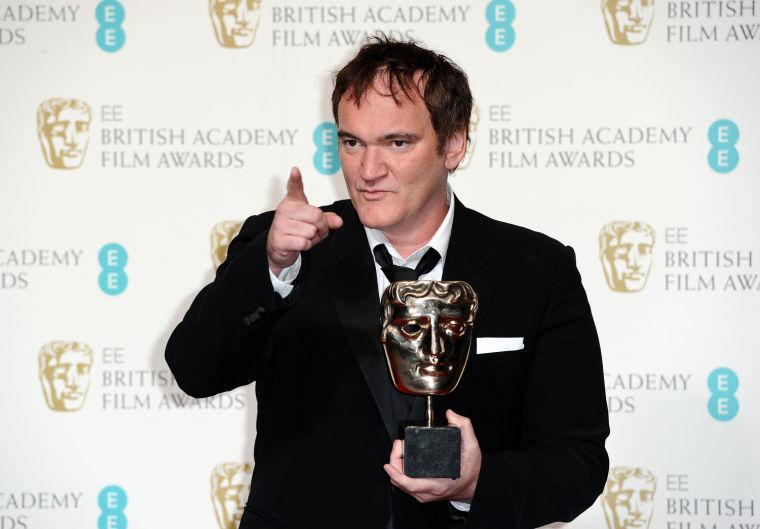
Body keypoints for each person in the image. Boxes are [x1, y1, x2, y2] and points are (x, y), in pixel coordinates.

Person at [166, 36, 609, 528]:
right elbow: (194, 370)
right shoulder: (287, 250)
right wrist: (272, 267)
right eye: (352, 142)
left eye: (397, 143)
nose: (368, 171)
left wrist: (477, 483)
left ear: (454, 144)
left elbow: (578, 460)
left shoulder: (536, 269)